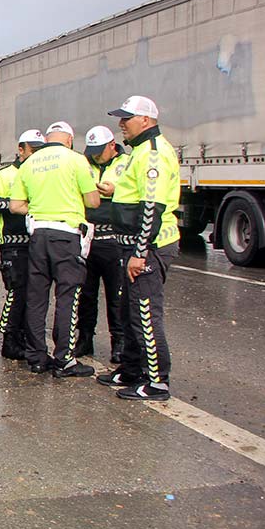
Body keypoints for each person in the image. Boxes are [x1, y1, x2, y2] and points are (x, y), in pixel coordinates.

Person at [97, 96, 181, 401]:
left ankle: (157, 381)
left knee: (145, 313)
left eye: (127, 118)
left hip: (148, 247)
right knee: (129, 309)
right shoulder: (141, 151)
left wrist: (139, 253)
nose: (121, 124)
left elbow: (151, 208)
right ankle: (131, 369)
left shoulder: (153, 153)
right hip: (132, 245)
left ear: (145, 120)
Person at [9, 121, 101, 377]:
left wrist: (40, 209)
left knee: (37, 298)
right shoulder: (76, 160)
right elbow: (93, 201)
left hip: (38, 235)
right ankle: (64, 359)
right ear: (69, 140)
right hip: (67, 235)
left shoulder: (29, 164)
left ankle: (37, 358)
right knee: (67, 296)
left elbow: (15, 206)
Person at [0, 129, 43, 360]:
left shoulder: (41, 173)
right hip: (13, 243)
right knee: (16, 291)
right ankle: (9, 339)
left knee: (34, 294)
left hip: (36, 241)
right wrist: (16, 204)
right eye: (33, 150)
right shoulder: (6, 175)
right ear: (21, 150)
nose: (36, 154)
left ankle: (26, 338)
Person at [76, 125, 132, 363]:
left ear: (112, 145)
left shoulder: (127, 163)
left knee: (117, 295)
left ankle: (119, 342)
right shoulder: (84, 163)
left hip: (113, 239)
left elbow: (137, 191)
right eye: (92, 152)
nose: (96, 156)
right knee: (85, 294)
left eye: (100, 151)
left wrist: (115, 190)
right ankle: (84, 339)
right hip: (88, 237)